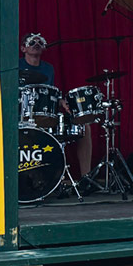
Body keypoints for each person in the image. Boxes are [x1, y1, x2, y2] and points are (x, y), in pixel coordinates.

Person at [19, 32, 93, 182]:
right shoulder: (16, 67)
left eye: (39, 42)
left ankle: (86, 178)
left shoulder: (48, 68)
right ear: (23, 48)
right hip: (22, 116)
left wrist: (61, 102)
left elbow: (50, 94)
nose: (36, 45)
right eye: (32, 43)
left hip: (47, 116)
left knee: (84, 127)